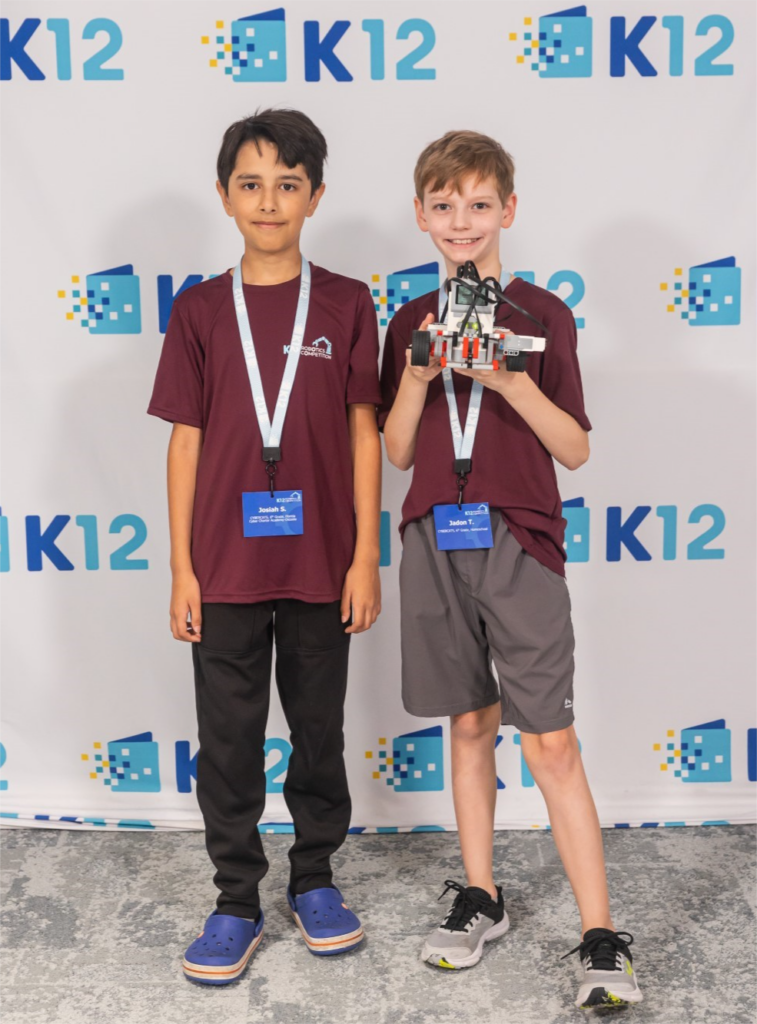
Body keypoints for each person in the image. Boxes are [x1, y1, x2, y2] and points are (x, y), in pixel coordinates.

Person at [379, 130, 642, 1009]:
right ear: (421, 215)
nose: (461, 221)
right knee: (466, 724)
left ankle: (599, 934)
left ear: (508, 211)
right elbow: (397, 447)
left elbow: (575, 449)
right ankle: (480, 897)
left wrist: (507, 382)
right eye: (444, 206)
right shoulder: (405, 319)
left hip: (518, 538)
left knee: (551, 743)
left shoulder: (541, 315)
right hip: (431, 539)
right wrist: (419, 372)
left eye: (478, 205)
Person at [147, 108, 382, 985]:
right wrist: (182, 567)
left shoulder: (349, 302)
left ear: (315, 196)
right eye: (251, 183)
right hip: (227, 569)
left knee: (318, 734)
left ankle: (314, 879)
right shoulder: (202, 308)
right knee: (229, 741)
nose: (269, 200)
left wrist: (363, 557)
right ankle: (235, 899)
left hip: (323, 563)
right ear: (223, 196)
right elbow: (184, 441)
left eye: (288, 183)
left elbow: (365, 434)